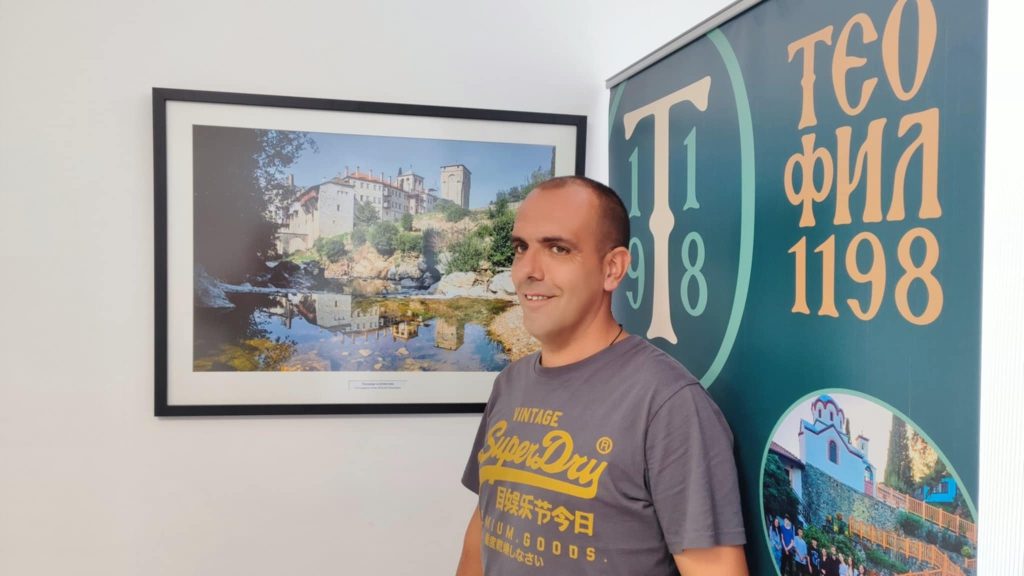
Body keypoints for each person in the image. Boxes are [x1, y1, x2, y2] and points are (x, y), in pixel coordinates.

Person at [455, 177, 748, 575]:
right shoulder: (510, 383)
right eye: (521, 247)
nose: (527, 270)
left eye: (558, 249)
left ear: (612, 269)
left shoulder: (669, 404)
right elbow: (485, 529)